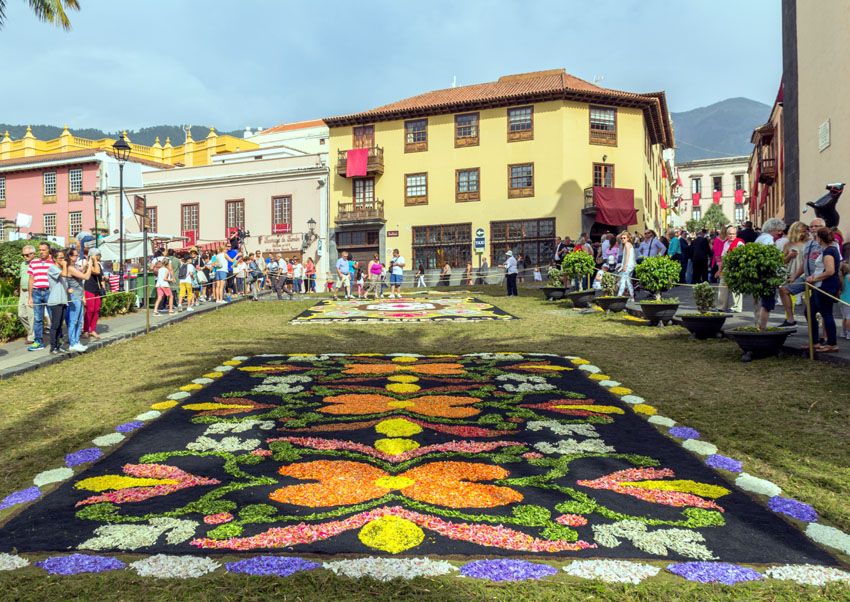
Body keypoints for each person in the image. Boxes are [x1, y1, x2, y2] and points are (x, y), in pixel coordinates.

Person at [778, 217, 833, 326]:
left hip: (821, 279)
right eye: (811, 226)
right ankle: (790, 320)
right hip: (806, 277)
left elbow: (834, 264)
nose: (812, 229)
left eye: (816, 226)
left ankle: (825, 337)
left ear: (823, 227)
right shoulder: (809, 243)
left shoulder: (828, 242)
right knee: (784, 290)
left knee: (819, 309)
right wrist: (794, 276)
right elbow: (805, 262)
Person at [805, 227, 841, 352]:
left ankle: (832, 343)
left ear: (820, 238)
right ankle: (814, 342)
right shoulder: (828, 249)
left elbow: (830, 271)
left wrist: (814, 278)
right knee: (809, 311)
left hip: (825, 286)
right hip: (820, 285)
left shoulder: (829, 251)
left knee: (827, 313)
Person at [753, 218, 786, 329]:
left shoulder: (760, 238)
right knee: (767, 304)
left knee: (762, 303)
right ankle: (762, 328)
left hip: (759, 275)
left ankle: (759, 326)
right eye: (779, 230)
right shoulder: (768, 239)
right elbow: (770, 259)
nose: (780, 233)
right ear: (773, 229)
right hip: (766, 276)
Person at [27, 242, 54, 351]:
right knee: (38, 318)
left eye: (44, 250)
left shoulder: (53, 263)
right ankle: (38, 341)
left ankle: (56, 339)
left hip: (49, 292)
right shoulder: (34, 262)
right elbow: (31, 279)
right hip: (37, 292)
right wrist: (30, 297)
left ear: (48, 251)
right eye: (40, 250)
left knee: (53, 317)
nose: (41, 252)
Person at [716, 226, 745, 313]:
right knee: (722, 286)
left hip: (736, 268)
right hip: (726, 267)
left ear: (736, 234)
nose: (732, 236)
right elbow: (723, 257)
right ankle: (722, 306)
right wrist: (719, 270)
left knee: (736, 288)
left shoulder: (740, 243)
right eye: (730, 234)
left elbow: (742, 258)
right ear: (727, 234)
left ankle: (737, 307)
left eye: (733, 234)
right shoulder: (726, 243)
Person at [82, 249, 105, 339]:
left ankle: (92, 329)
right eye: (97, 255)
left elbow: (101, 276)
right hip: (89, 289)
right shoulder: (88, 265)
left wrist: (103, 287)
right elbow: (97, 272)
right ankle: (86, 330)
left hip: (97, 290)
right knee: (89, 310)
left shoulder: (99, 265)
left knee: (96, 310)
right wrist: (93, 260)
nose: (99, 257)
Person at [17, 245, 37, 343]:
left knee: (31, 315)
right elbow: (22, 278)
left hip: (32, 292)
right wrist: (20, 291)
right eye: (23, 255)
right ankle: (33, 332)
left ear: (33, 254)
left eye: (27, 255)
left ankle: (31, 336)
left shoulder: (37, 263)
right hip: (23, 292)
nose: (25, 257)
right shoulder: (23, 264)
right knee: (21, 314)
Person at [616, 231, 636, 301]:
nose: (622, 239)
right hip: (630, 265)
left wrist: (625, 266)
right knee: (627, 281)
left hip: (628, 265)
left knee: (623, 280)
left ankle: (619, 296)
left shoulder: (627, 245)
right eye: (621, 238)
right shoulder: (628, 244)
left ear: (628, 238)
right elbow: (625, 257)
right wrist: (622, 267)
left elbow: (627, 256)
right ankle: (632, 297)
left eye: (624, 238)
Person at [840, 243, 850, 340]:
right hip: (848, 300)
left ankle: (843, 332)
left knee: (844, 317)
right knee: (849, 317)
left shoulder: (843, 277)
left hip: (843, 299)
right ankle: (849, 333)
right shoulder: (849, 277)